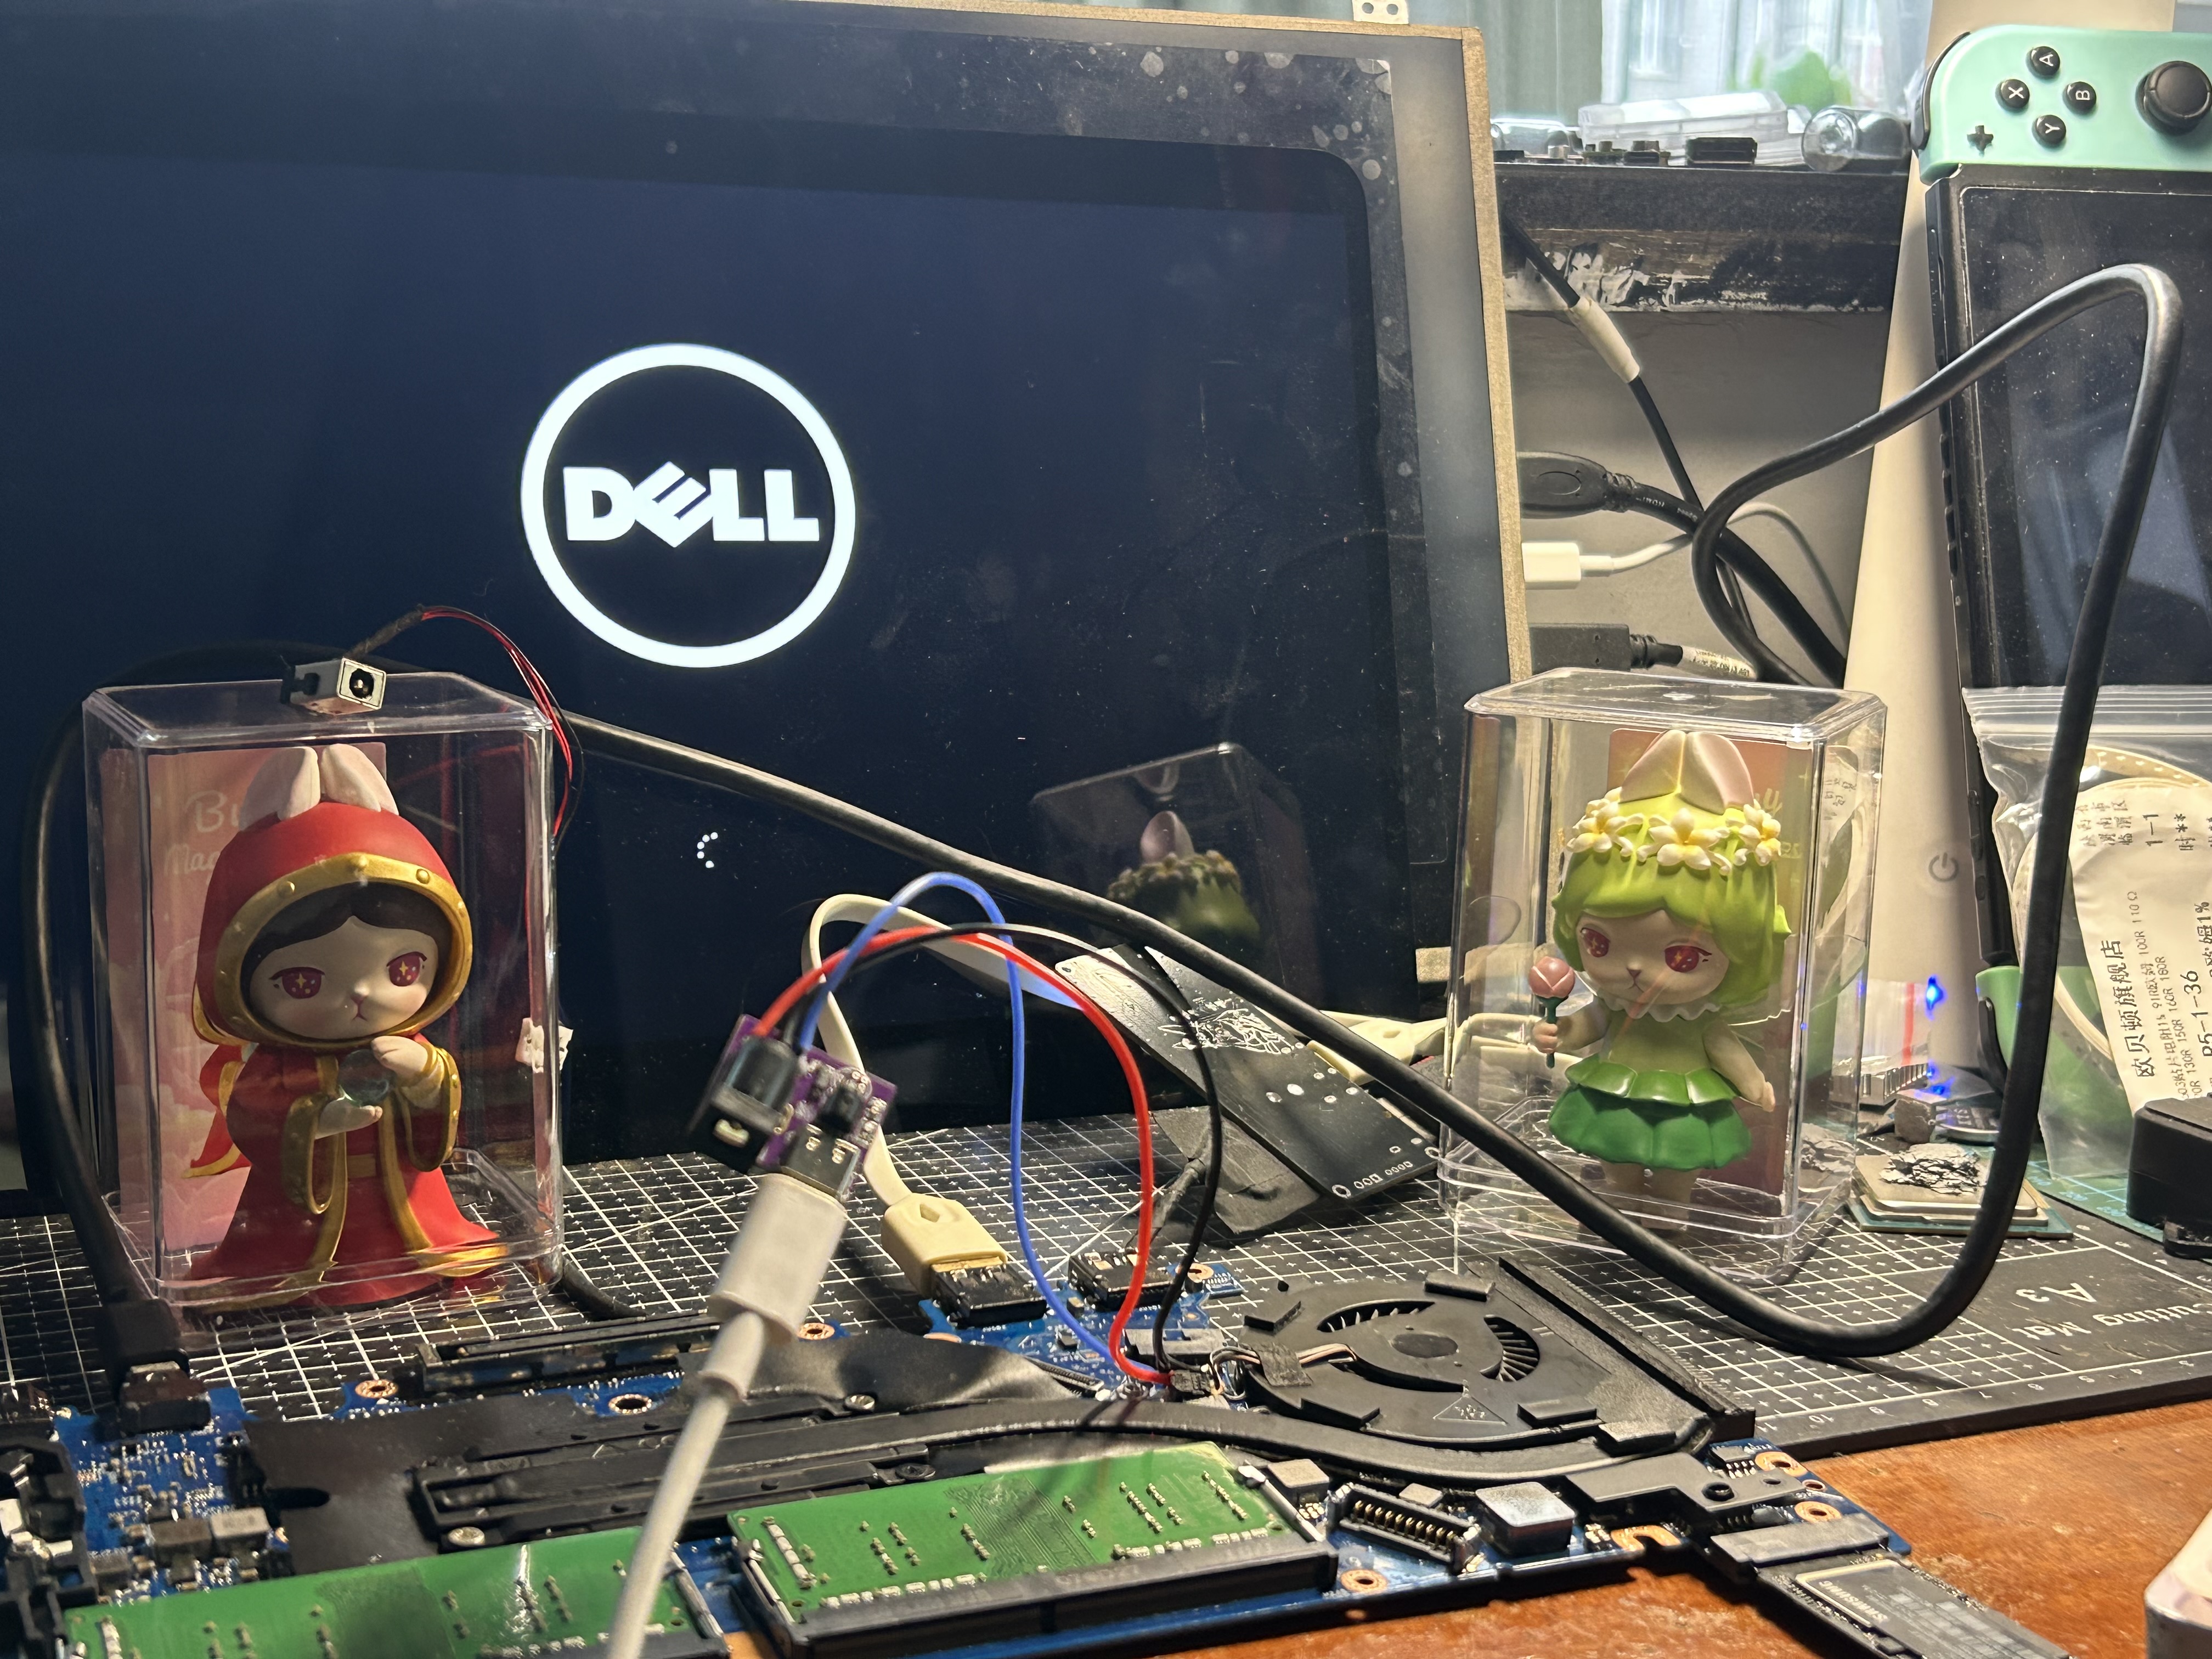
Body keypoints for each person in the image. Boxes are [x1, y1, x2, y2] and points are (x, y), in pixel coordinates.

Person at [182, 744, 503, 1307]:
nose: (360, 996)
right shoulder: (278, 1066)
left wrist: (427, 1074)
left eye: (403, 970)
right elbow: (252, 1116)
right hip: (299, 1224)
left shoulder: (404, 1042)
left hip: (408, 1207)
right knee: (279, 1263)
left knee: (425, 1238)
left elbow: (437, 1116)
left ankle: (413, 1267)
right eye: (303, 982)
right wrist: (315, 1118)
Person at [1531, 729, 1790, 1227]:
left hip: (1683, 1108)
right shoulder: (1615, 1005)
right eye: (1599, 943)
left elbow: (1724, 1047)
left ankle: (1671, 1209)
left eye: (1684, 957)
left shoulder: (1698, 1018)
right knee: (1615, 1156)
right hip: (1614, 1100)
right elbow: (1591, 1023)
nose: (1633, 969)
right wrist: (1558, 1032)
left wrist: (1754, 1084)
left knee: (1679, 1162)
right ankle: (1621, 1201)